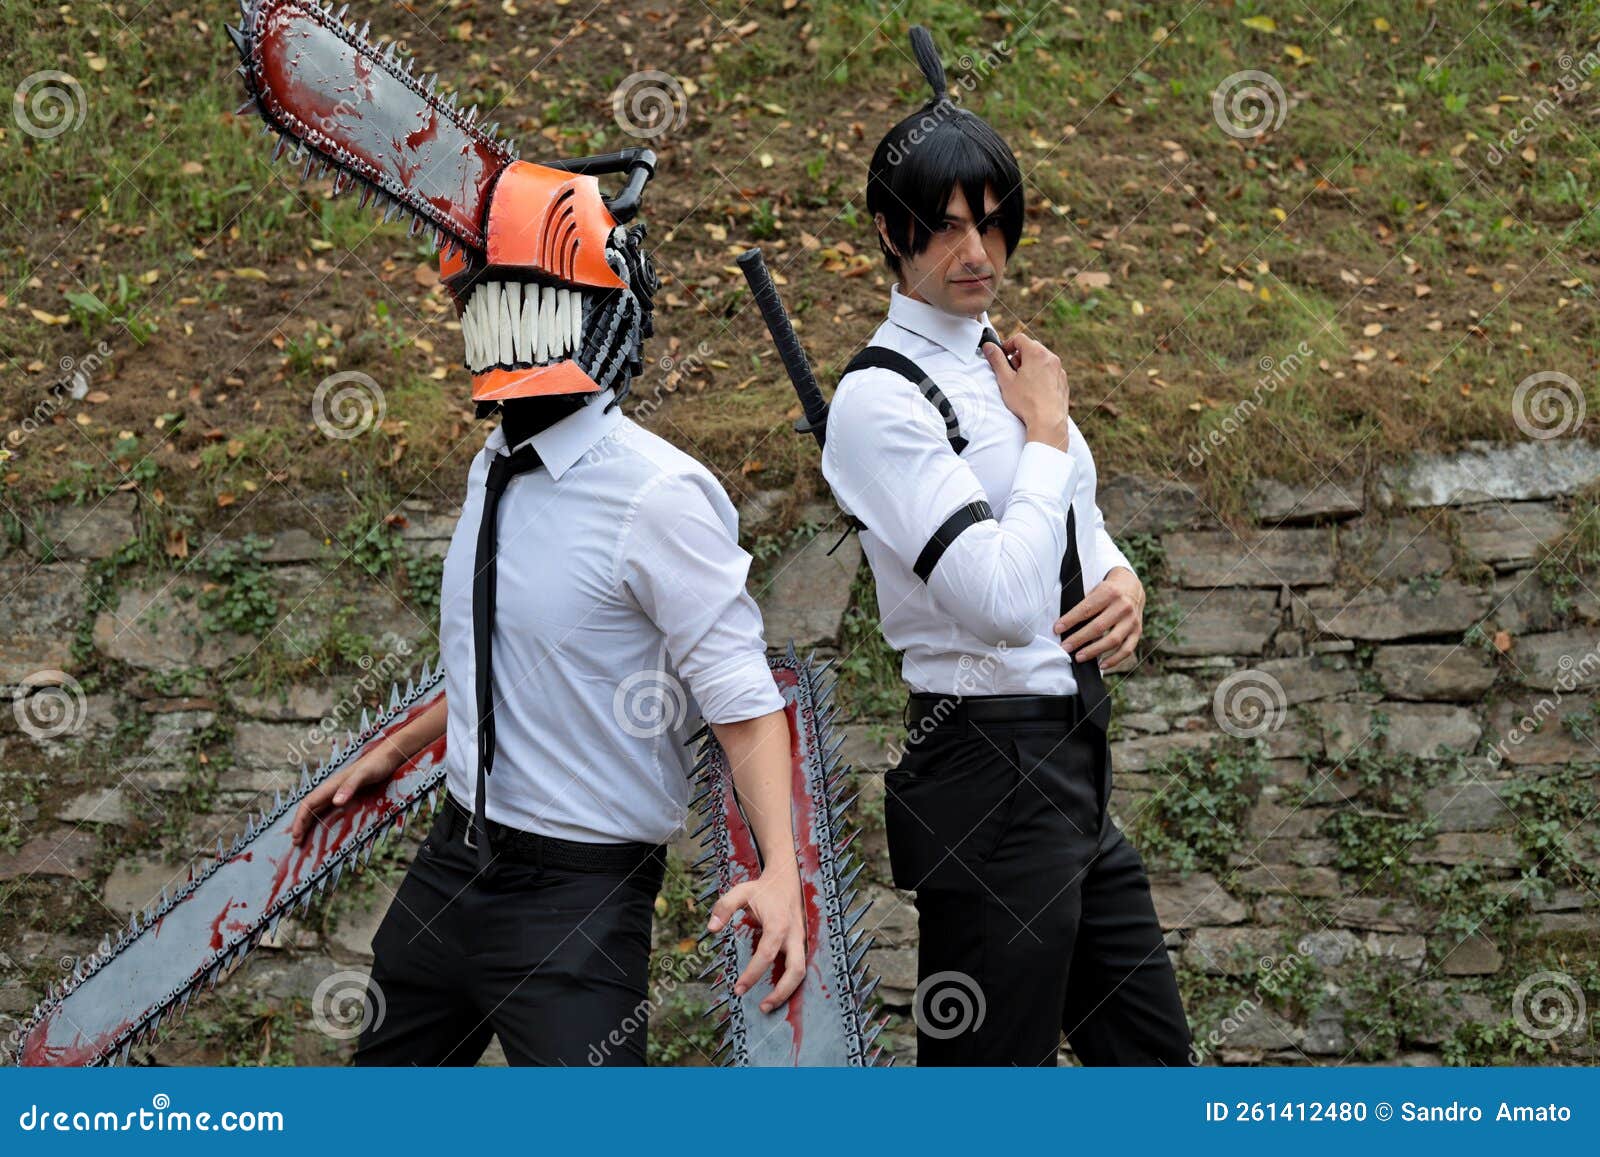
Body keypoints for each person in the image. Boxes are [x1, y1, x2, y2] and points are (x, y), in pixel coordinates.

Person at [289, 231, 806, 1065]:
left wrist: (782, 869)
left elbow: (743, 705)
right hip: (452, 865)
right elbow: (513, 658)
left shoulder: (659, 496)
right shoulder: (494, 462)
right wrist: (400, 746)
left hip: (579, 899)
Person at [818, 26, 1192, 1067]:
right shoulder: (878, 399)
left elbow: (1073, 518)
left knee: (1154, 1069)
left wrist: (1121, 576)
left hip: (1071, 753)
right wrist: (1042, 426)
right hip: (985, 764)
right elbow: (996, 597)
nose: (975, 252)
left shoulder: (1010, 364)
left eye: (992, 223)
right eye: (942, 230)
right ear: (890, 234)